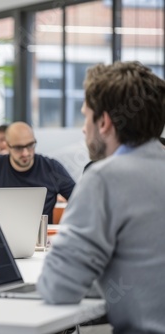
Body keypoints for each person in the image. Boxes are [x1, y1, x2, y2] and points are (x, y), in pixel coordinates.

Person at [37, 61, 165, 332]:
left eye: (86, 116)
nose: (84, 128)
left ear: (104, 122)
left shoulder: (104, 178)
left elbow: (57, 287)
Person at [0, 121, 75, 224]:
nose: (25, 153)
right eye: (18, 148)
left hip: (41, 237)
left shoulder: (51, 168)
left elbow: (80, 201)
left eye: (30, 145)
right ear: (7, 146)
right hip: (0, 236)